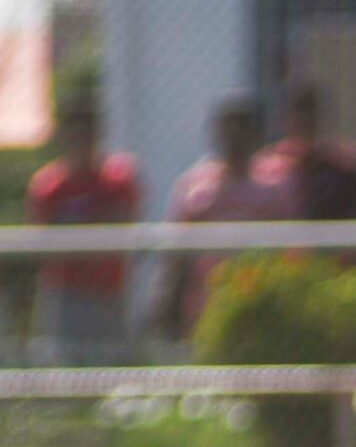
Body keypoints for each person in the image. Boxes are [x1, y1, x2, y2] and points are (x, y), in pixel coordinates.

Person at [23, 90, 143, 363]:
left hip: (110, 291)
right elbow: (45, 241)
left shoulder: (119, 178)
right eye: (75, 136)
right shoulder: (49, 185)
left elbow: (123, 225)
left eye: (88, 135)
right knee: (64, 366)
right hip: (66, 292)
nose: (82, 143)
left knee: (113, 365)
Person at [163, 95, 295, 336]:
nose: (235, 137)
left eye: (242, 129)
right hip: (207, 303)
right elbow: (177, 253)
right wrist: (168, 299)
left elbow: (292, 246)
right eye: (228, 129)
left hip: (262, 301)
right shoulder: (196, 185)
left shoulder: (275, 184)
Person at [262, 83, 356, 222]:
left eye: (310, 115)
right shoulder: (268, 169)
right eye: (299, 116)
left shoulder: (343, 165)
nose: (304, 123)